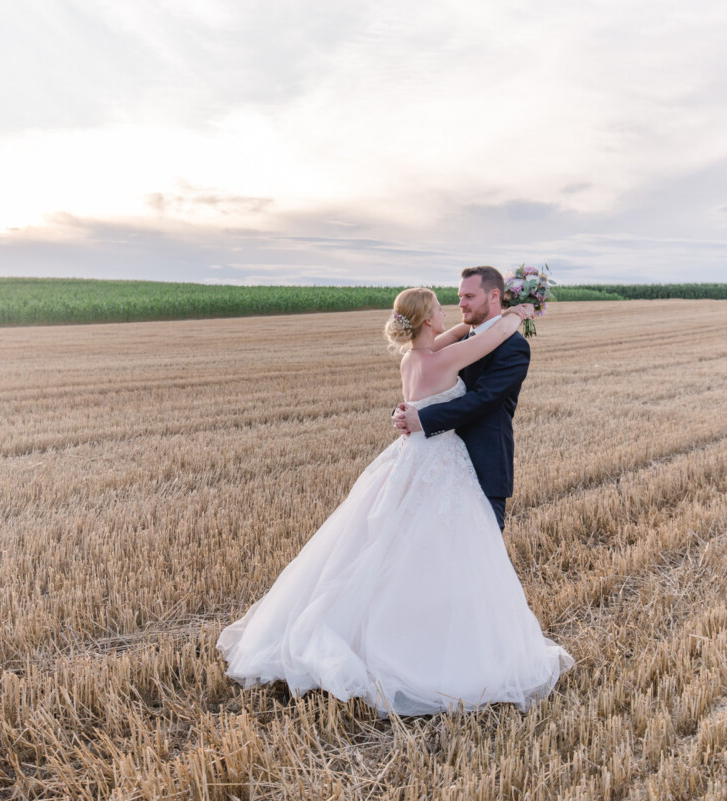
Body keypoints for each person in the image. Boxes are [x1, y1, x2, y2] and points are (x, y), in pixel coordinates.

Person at [216, 285, 573, 717]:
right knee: (438, 553)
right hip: (439, 460)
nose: (449, 310)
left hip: (410, 459)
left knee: (388, 548)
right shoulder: (444, 359)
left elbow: (462, 333)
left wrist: (476, 318)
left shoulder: (415, 356)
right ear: (426, 320)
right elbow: (490, 340)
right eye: (441, 308)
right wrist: (518, 312)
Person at [393, 266, 526, 531]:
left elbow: (483, 399)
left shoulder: (514, 347)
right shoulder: (458, 345)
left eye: (468, 296)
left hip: (482, 463)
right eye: (458, 297)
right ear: (428, 319)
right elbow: (491, 332)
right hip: (437, 466)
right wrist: (518, 314)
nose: (459, 304)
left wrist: (419, 417)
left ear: (494, 296)